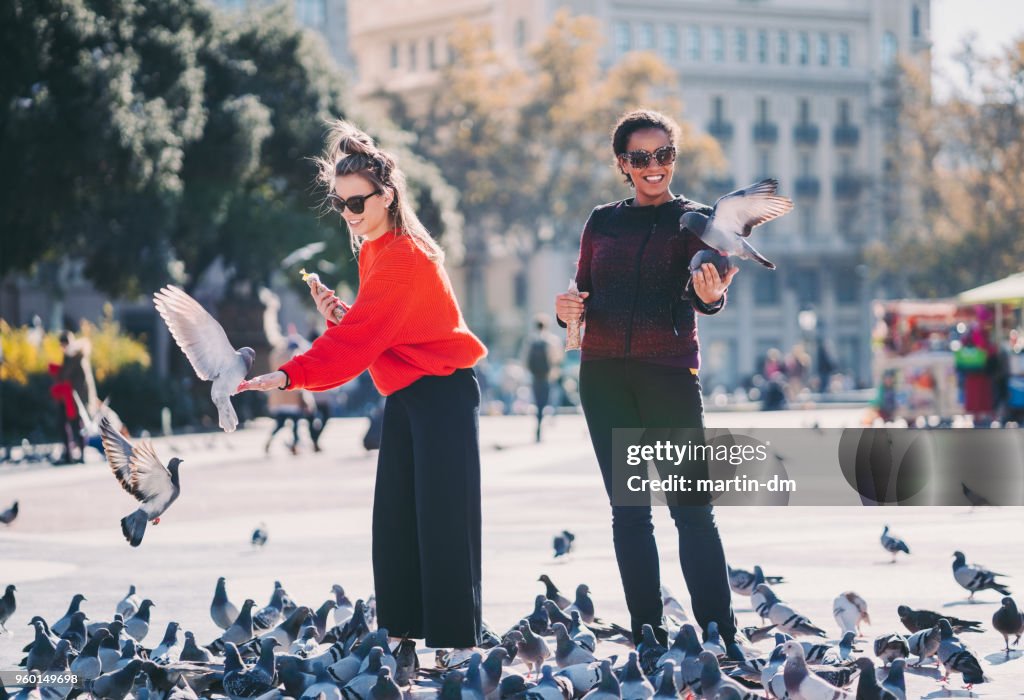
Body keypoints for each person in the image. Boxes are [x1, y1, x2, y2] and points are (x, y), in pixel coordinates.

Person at [237, 120, 487, 667]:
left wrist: (287, 376)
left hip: (443, 391)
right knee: (396, 517)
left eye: (357, 202)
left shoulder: (402, 254)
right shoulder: (375, 247)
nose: (348, 212)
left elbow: (356, 346)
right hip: (407, 391)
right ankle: (402, 634)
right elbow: (378, 331)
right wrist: (347, 319)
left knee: (445, 520)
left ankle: (458, 644)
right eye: (341, 202)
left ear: (387, 196)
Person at [554, 109, 741, 655]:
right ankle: (647, 633)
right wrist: (567, 308)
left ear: (673, 160)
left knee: (692, 511)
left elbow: (711, 290)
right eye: (641, 158)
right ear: (623, 165)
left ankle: (720, 633)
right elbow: (581, 295)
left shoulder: (695, 220)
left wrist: (710, 293)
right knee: (630, 514)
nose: (654, 166)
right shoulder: (601, 222)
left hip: (669, 376)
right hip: (604, 378)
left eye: (663, 155)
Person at [523, 314, 563, 442]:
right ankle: (546, 423)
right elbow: (558, 358)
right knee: (548, 401)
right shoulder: (552, 340)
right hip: (548, 376)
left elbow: (524, 360)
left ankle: (538, 425)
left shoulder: (530, 340)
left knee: (538, 403)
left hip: (535, 377)